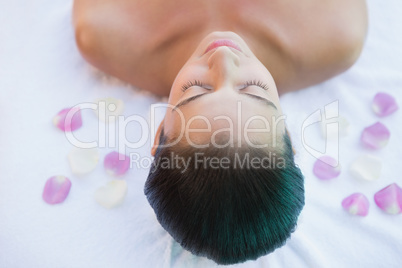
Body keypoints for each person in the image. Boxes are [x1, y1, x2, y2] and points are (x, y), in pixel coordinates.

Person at [73, 0, 368, 264]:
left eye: (196, 89)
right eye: (252, 88)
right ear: (288, 135)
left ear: (161, 129)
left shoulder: (104, 28)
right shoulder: (337, 29)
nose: (224, 59)